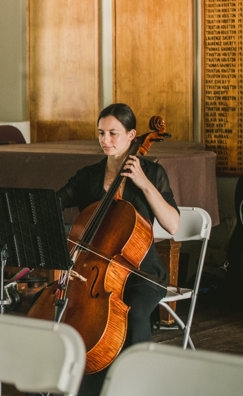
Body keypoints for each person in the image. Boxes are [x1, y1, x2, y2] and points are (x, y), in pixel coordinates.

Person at [56, 103, 180, 395]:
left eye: (113, 133)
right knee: (65, 312)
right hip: (93, 275)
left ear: (132, 135)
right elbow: (53, 204)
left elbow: (173, 224)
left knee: (134, 316)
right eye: (101, 133)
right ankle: (70, 383)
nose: (105, 140)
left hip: (142, 273)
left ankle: (137, 386)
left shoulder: (152, 172)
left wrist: (143, 183)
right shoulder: (88, 176)